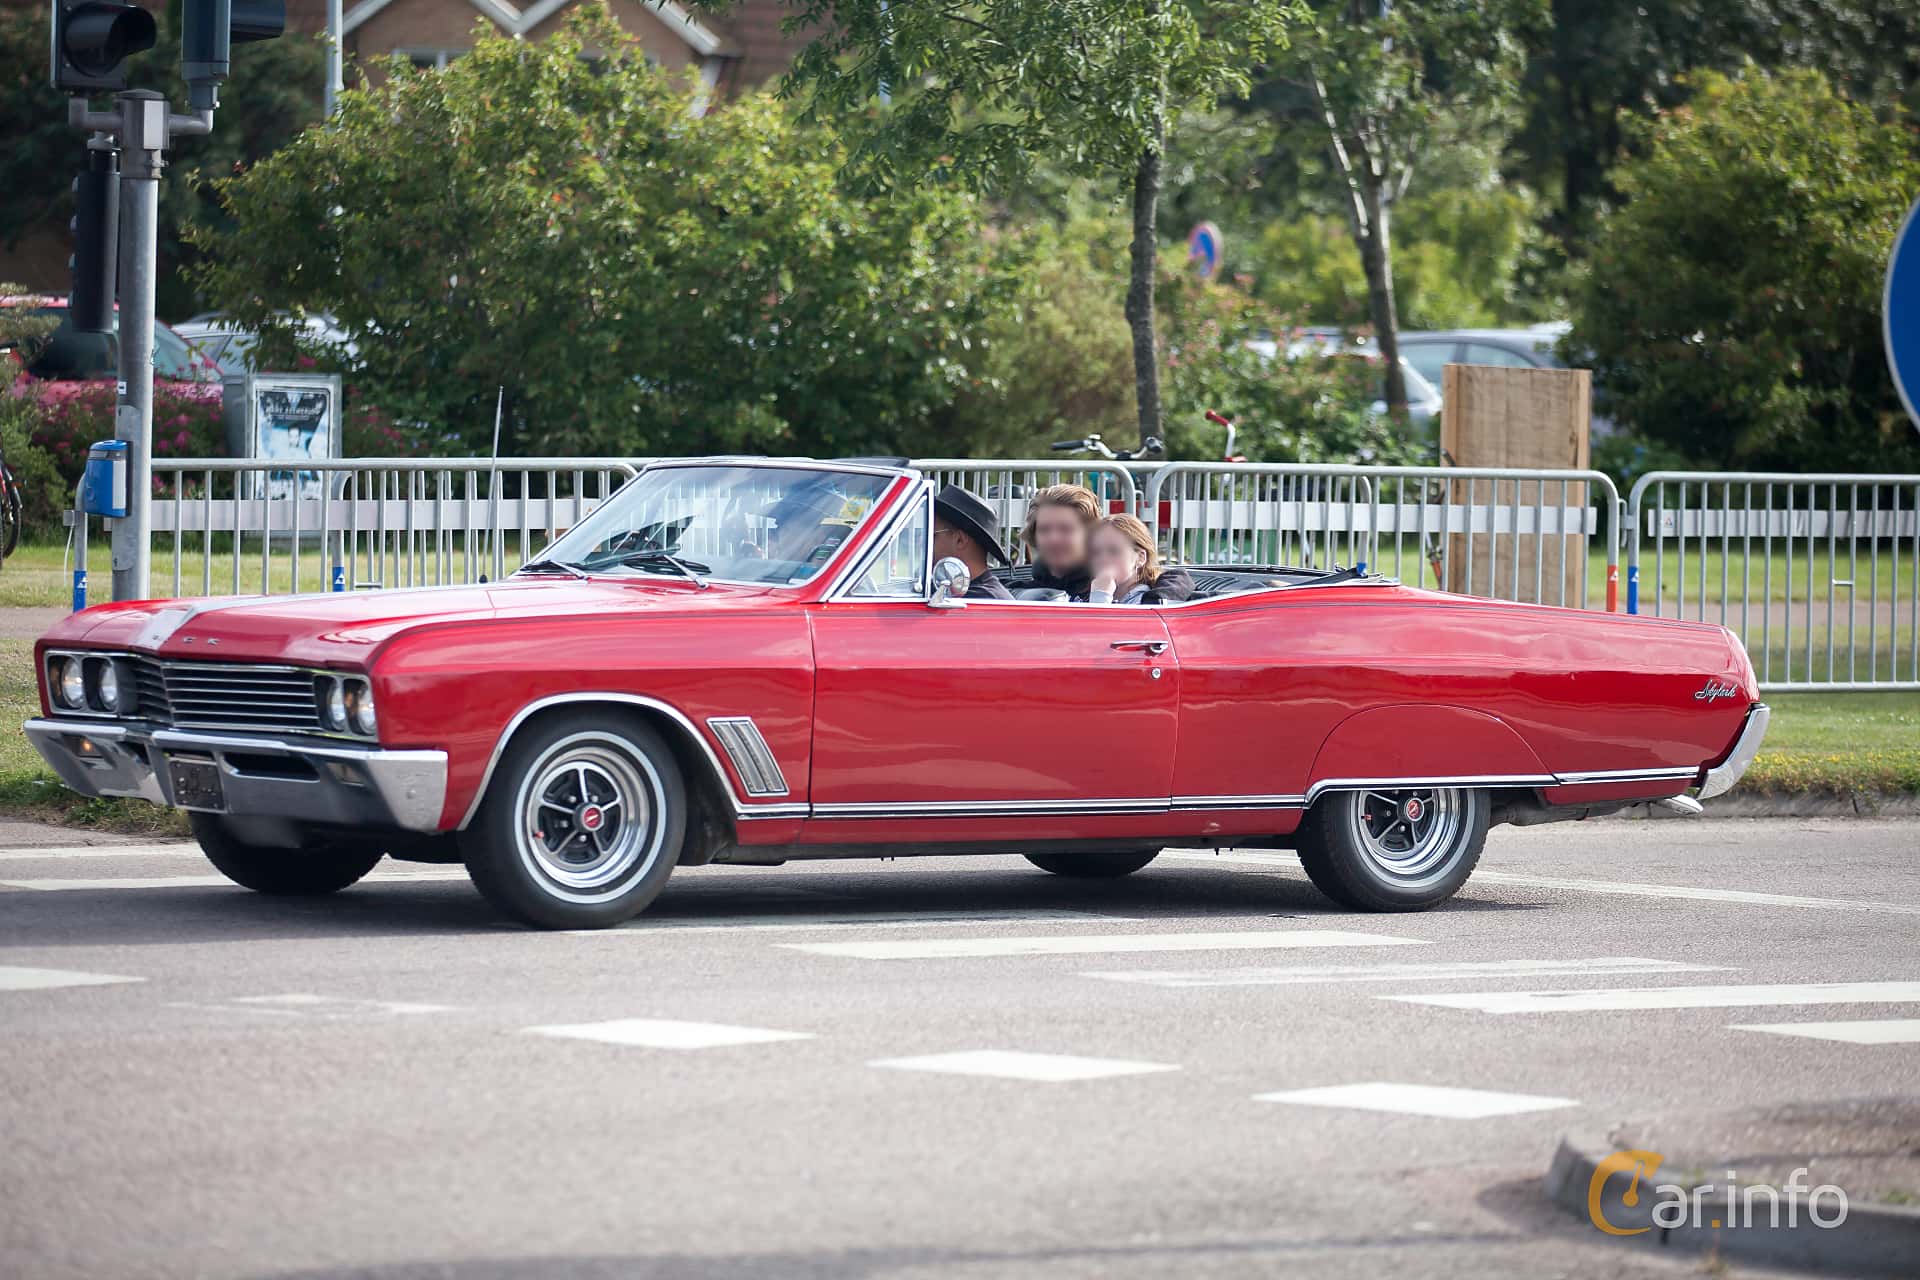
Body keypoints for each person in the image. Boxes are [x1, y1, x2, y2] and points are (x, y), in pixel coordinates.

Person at [1021, 482, 1195, 603]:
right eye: (1044, 530)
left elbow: (1175, 579)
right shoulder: (1038, 579)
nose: (1053, 539)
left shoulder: (1154, 588)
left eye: (1065, 529)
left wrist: (1157, 603)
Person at [932, 485, 1014, 599]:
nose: (923, 543)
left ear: (959, 540)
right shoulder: (955, 591)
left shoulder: (985, 601)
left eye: (932, 535)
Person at [1082, 514, 1160, 604]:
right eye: (1096, 552)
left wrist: (1100, 596)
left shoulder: (1146, 602)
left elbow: (1099, 618)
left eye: (1114, 551)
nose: (1103, 559)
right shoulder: (1083, 596)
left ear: (1140, 558)